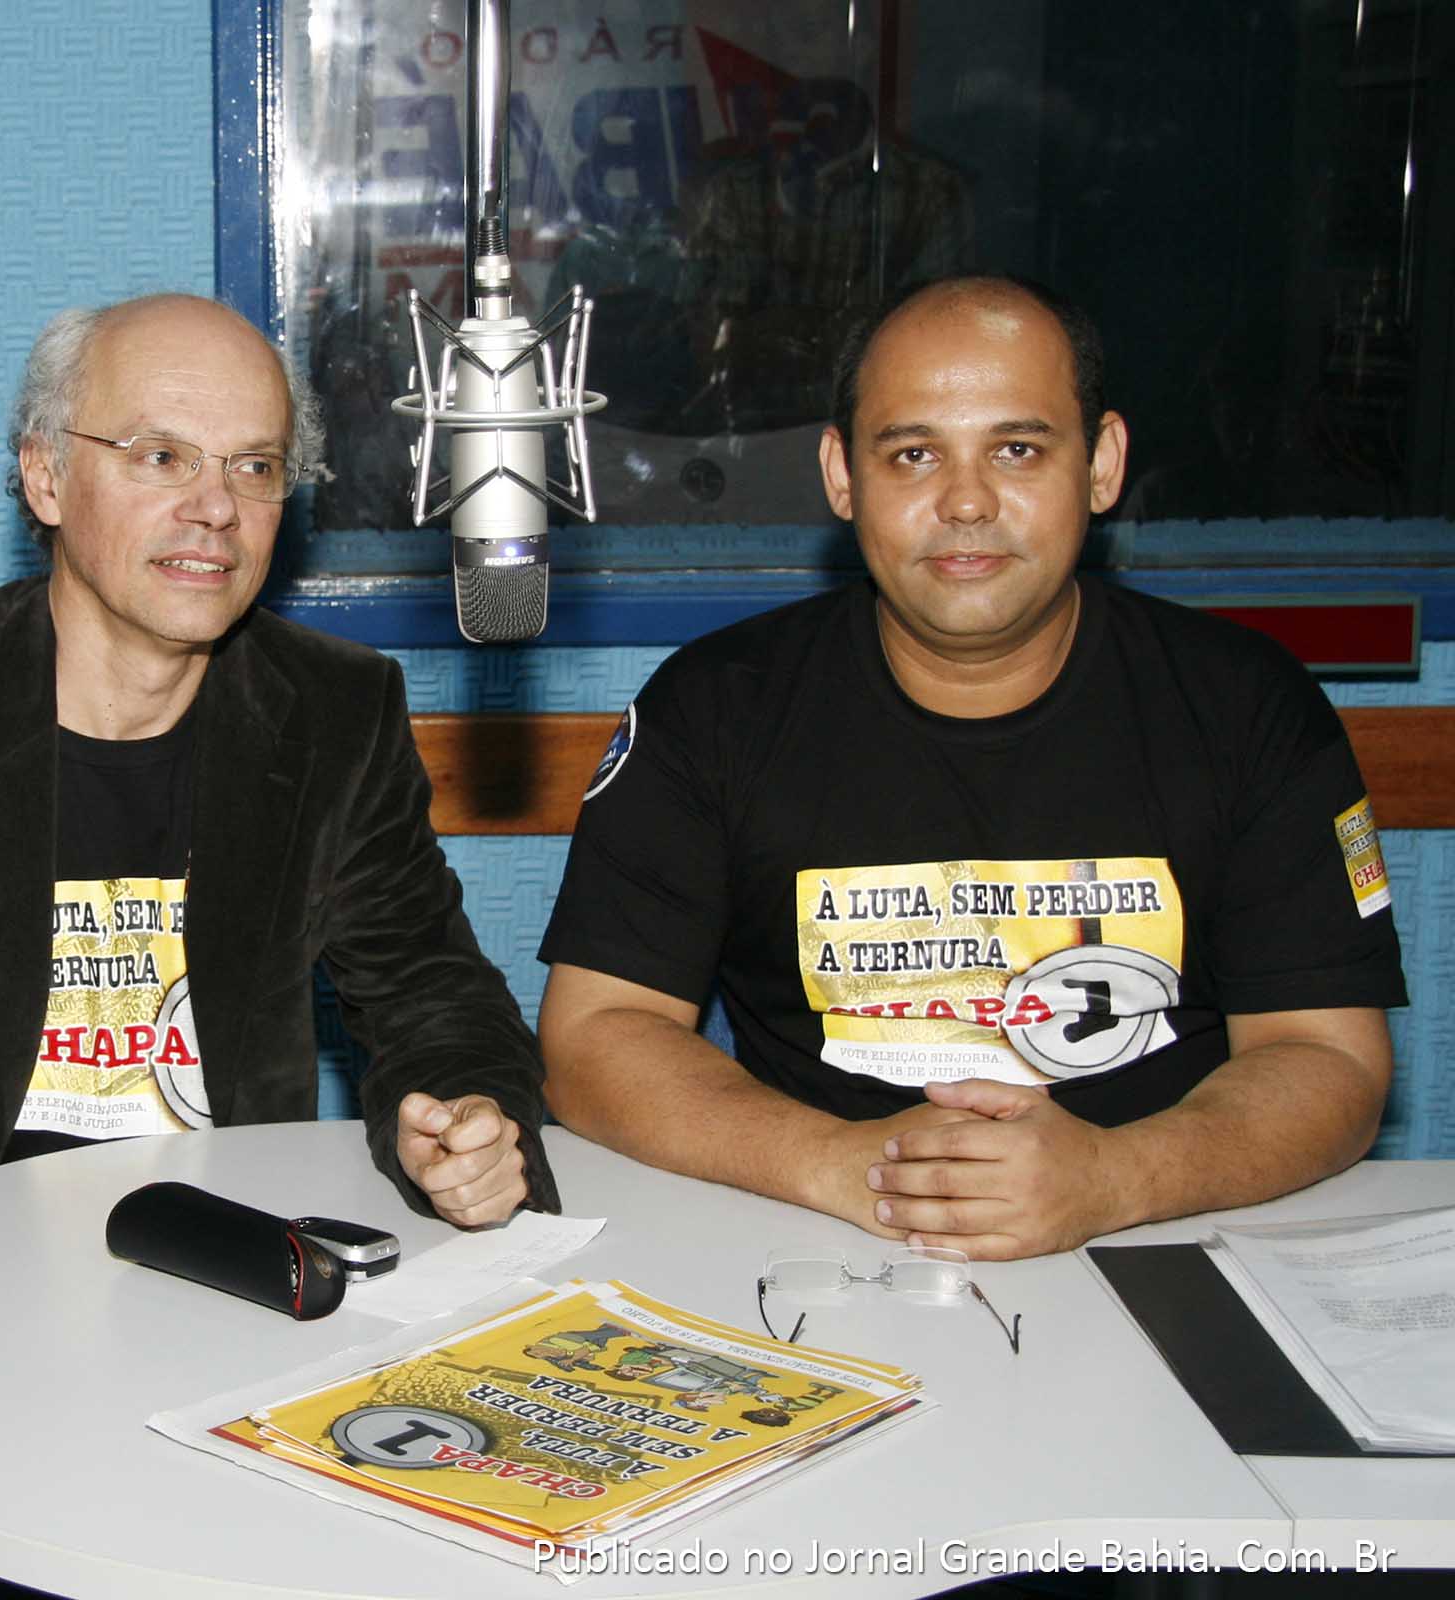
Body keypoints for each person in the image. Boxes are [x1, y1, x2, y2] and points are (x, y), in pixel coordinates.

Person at [537, 275, 1405, 1261]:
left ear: (1104, 462)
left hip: (1169, 1234)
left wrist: (1118, 1177)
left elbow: (1327, 1055)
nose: (965, 500)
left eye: (1018, 449)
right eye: (912, 454)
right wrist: (845, 1164)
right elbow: (596, 1033)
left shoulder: (1249, 706)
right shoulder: (714, 706)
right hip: (813, 1241)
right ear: (840, 475)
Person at [0, 293, 558, 1226]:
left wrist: (468, 1119)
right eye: (161, 457)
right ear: (45, 476)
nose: (216, 508)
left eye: (255, 466)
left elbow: (429, 987)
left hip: (225, 1255)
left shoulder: (336, 711)